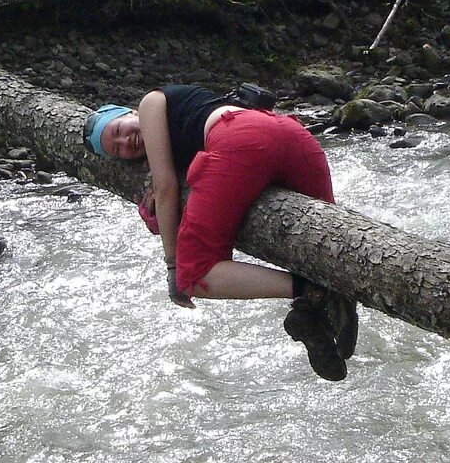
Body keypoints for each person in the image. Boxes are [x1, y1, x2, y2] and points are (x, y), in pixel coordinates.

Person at [84, 85, 359, 380]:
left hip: (238, 140)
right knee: (326, 245)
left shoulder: (150, 102)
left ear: (130, 113)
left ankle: (310, 292)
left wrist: (172, 266)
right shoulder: (184, 119)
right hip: (293, 135)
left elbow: (166, 189)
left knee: (195, 275)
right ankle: (315, 311)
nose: (126, 141)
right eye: (118, 150)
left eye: (117, 131)